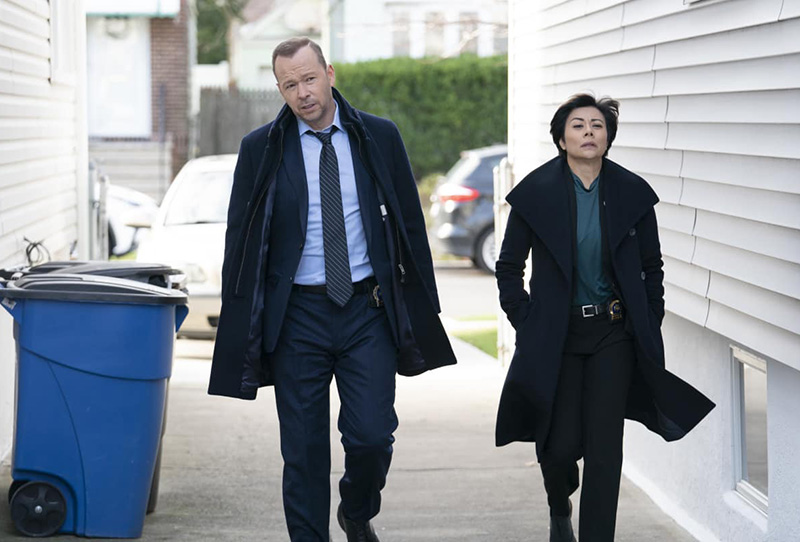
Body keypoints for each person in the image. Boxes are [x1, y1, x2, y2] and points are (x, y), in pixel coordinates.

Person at [208, 37, 456, 542]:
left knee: (371, 437)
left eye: (309, 79)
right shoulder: (261, 148)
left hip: (367, 310)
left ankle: (356, 510)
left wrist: (423, 303)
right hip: (297, 317)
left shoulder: (379, 136)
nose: (302, 93)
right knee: (302, 452)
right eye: (289, 85)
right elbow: (241, 237)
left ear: (330, 74)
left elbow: (409, 223)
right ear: (280, 90)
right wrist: (238, 315)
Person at [494, 93, 715, 542]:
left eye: (597, 125)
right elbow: (508, 267)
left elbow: (652, 266)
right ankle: (560, 506)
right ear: (561, 139)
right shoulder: (535, 194)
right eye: (578, 125)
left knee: (604, 451)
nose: (589, 132)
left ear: (608, 138)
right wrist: (528, 320)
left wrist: (649, 316)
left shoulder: (632, 193)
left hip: (613, 334)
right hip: (557, 336)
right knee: (558, 447)